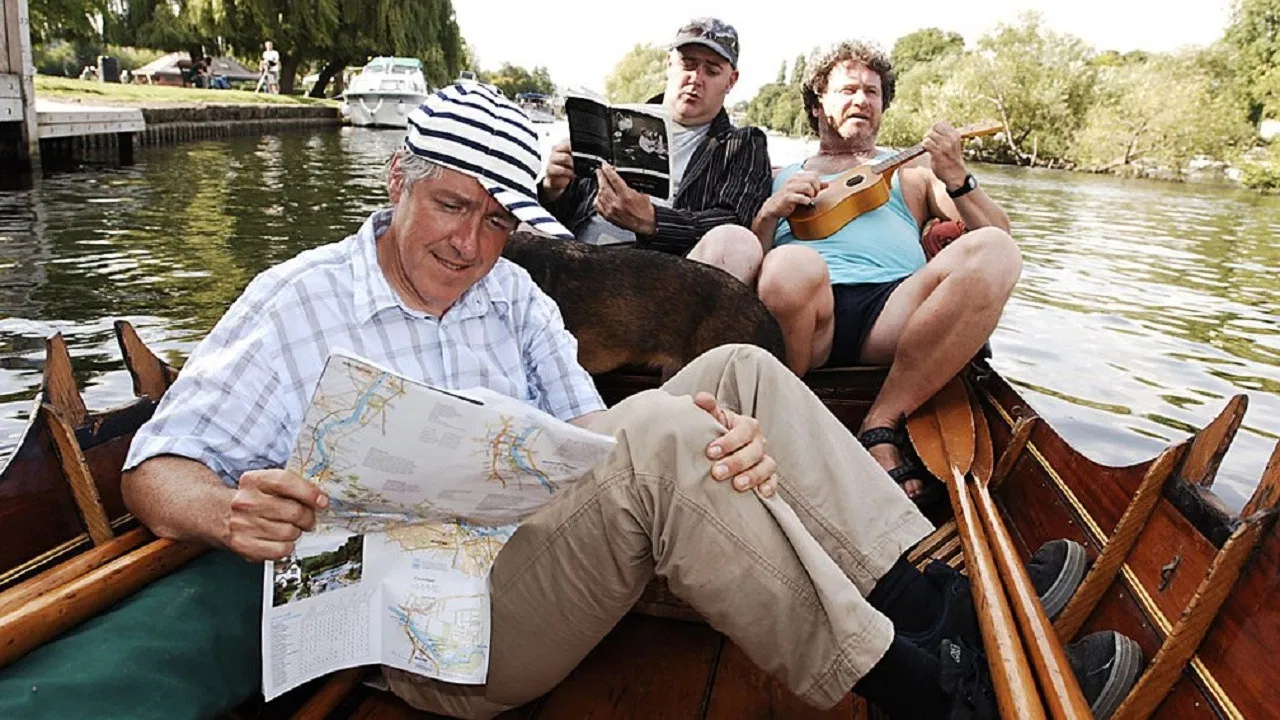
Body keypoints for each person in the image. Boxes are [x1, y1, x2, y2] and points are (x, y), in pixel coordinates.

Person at [121, 83, 1141, 720]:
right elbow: (154, 466)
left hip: (532, 556)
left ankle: (937, 607)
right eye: (445, 206)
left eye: (490, 217)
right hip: (433, 638)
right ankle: (932, 694)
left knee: (737, 380)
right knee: (661, 434)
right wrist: (221, 510)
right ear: (394, 182)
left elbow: (580, 437)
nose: (467, 244)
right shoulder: (297, 300)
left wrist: (726, 442)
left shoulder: (509, 289)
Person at [748, 40, 1019, 502]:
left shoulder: (912, 170)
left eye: (872, 93)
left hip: (894, 311)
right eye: (848, 89)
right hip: (805, 315)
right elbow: (748, 266)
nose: (861, 101)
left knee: (995, 251)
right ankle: (789, 422)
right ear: (817, 105)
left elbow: (1001, 235)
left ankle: (880, 422)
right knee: (791, 265)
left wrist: (954, 173)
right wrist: (769, 214)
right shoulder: (778, 172)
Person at [538, 18, 771, 284]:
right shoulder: (616, 123)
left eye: (712, 70)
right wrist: (553, 188)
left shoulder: (742, 143)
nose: (696, 79)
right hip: (578, 259)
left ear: (731, 81)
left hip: (662, 281)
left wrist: (653, 221)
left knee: (736, 242)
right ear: (669, 64)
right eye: (689, 64)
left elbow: (733, 218)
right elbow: (562, 210)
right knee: (520, 226)